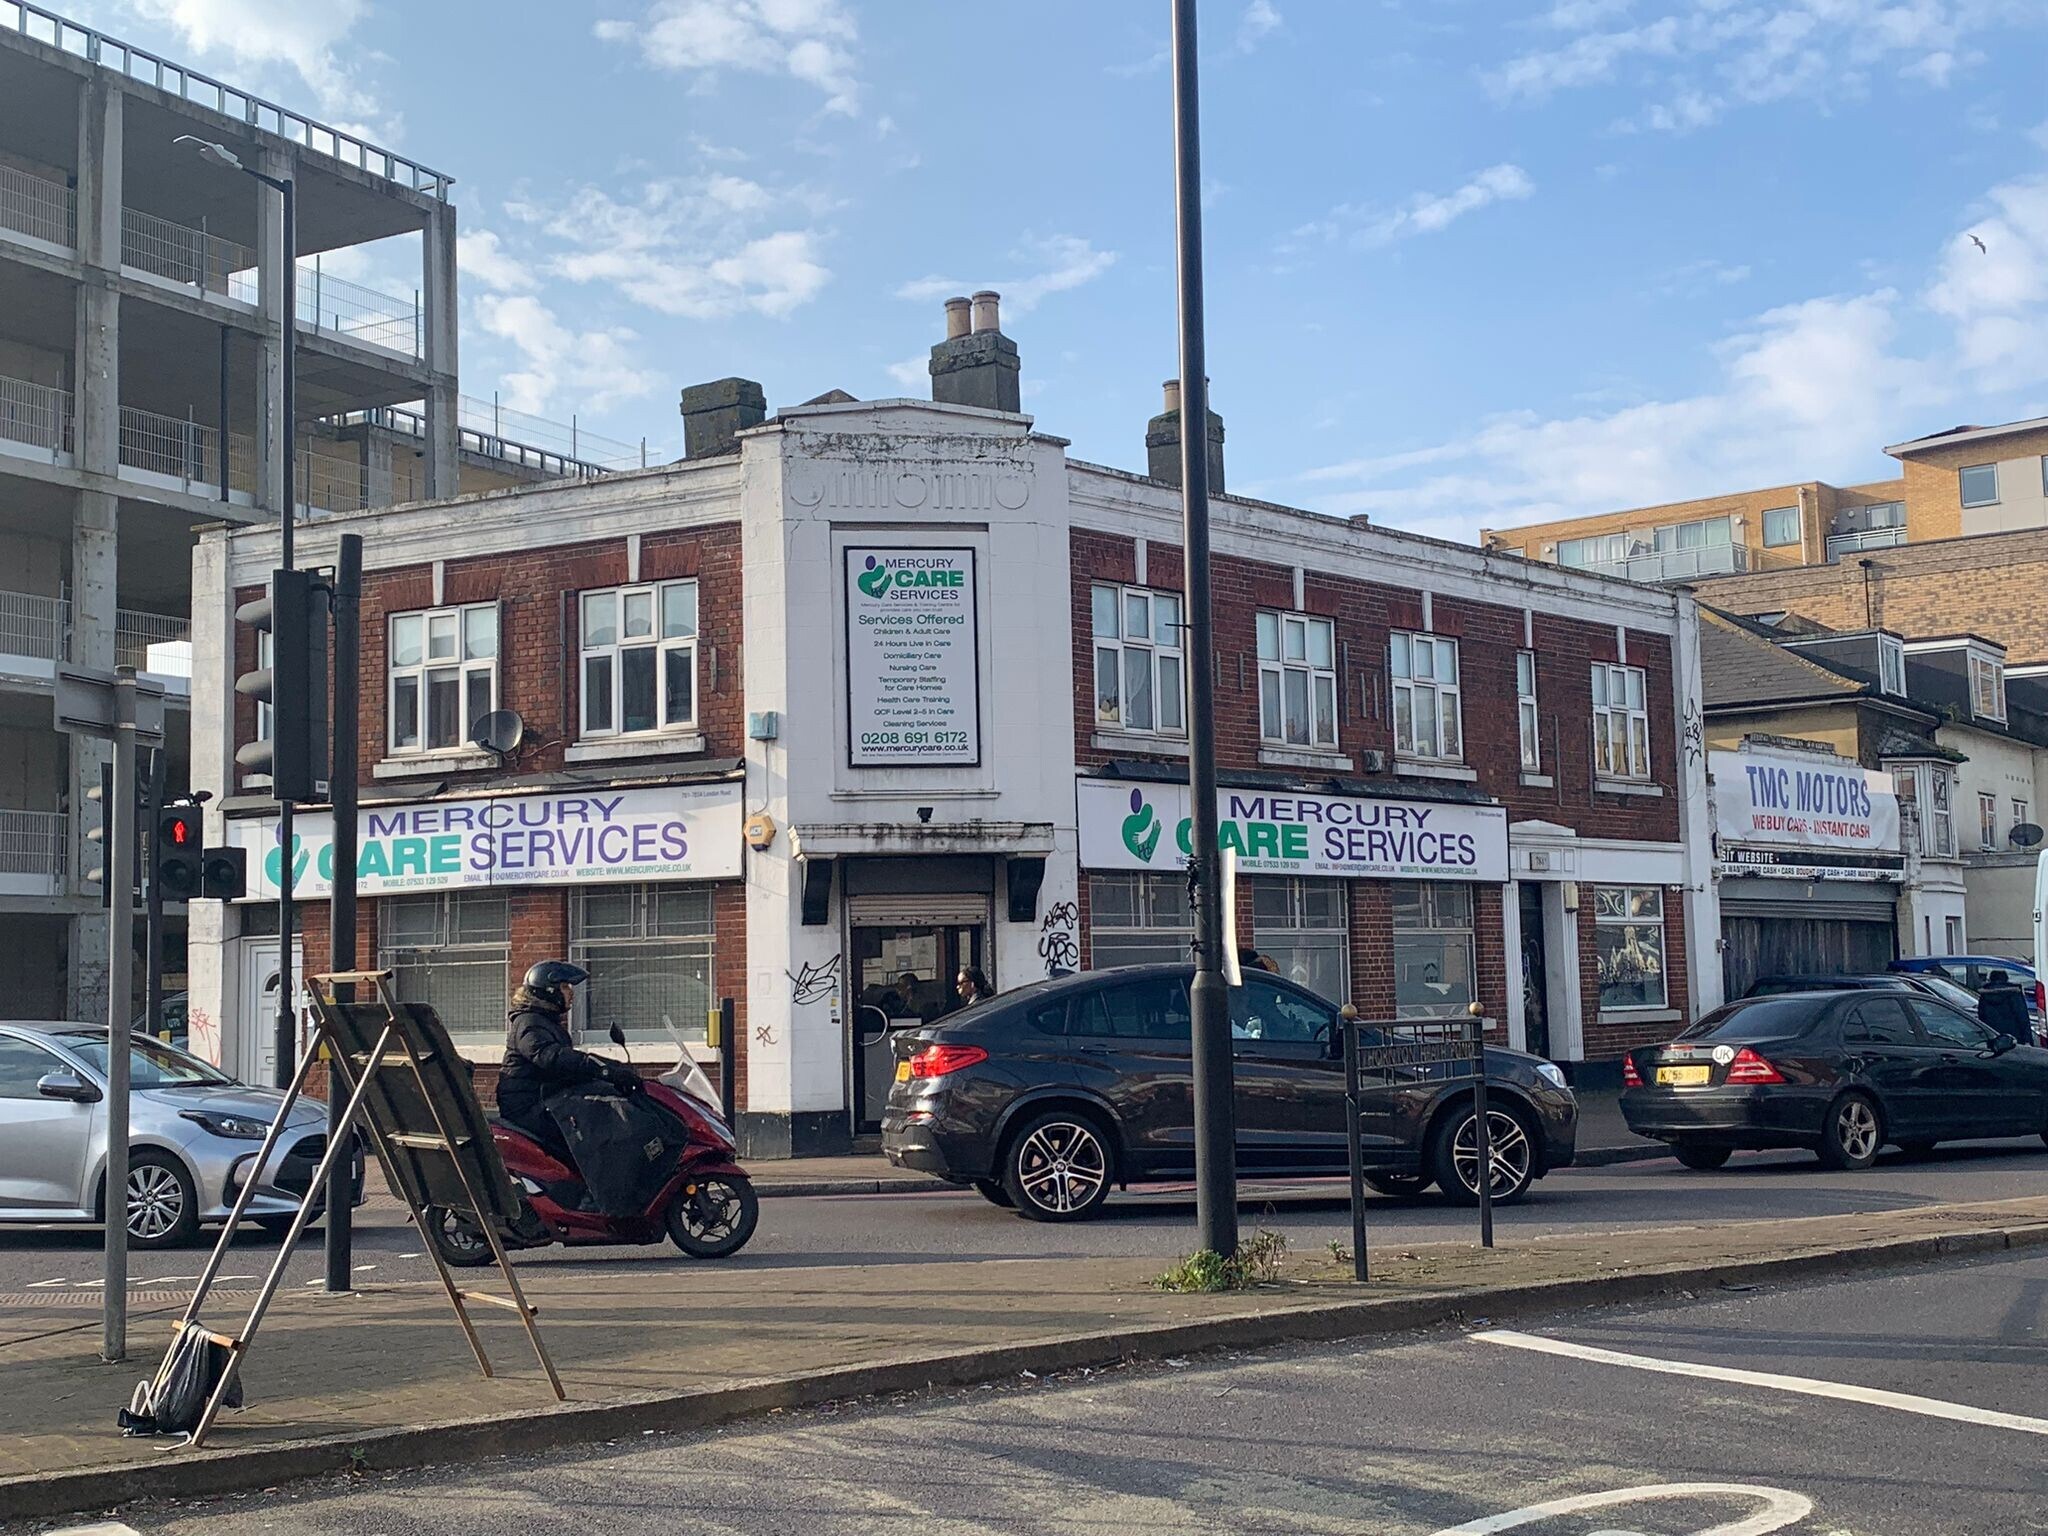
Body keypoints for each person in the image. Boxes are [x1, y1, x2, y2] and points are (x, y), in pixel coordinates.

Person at [496, 960, 639, 1170]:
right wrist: (602, 1068)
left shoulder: (545, 1021)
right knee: (597, 1129)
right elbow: (551, 1057)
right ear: (549, 990)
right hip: (529, 1107)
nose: (570, 993)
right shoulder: (529, 1023)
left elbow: (567, 1068)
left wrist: (611, 1072)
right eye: (565, 987)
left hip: (546, 1098)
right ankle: (593, 1192)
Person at [1975, 968, 2032, 1048]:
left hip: (1993, 1037)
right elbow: (2022, 1017)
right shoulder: (2014, 993)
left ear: (1991, 979)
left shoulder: (1984, 994)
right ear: (2006, 979)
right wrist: (2027, 1040)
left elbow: (1981, 1016)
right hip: (2014, 1037)